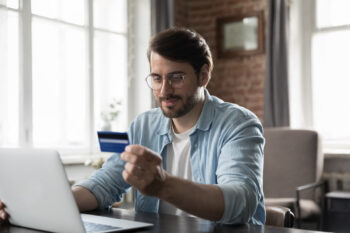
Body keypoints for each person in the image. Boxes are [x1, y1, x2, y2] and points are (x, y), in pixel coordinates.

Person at [0, 27, 265, 225]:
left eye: (176, 77)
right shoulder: (144, 124)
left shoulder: (239, 124)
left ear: (203, 75)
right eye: (156, 78)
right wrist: (29, 205)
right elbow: (105, 184)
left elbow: (239, 202)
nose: (164, 90)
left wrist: (163, 185)